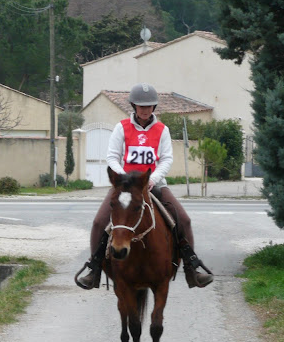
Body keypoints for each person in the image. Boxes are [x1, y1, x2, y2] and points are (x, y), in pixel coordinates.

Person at [75, 82, 214, 290]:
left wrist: (152, 180)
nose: (144, 110)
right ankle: (94, 269)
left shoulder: (162, 130)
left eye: (148, 106)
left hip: (152, 184)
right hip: (124, 186)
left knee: (183, 220)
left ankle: (191, 269)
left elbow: (166, 159)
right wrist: (124, 180)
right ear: (133, 106)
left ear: (154, 108)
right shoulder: (121, 128)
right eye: (140, 106)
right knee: (98, 222)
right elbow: (112, 157)